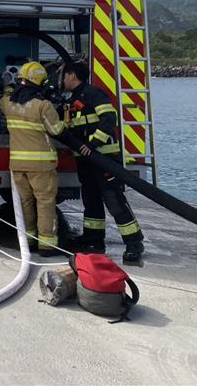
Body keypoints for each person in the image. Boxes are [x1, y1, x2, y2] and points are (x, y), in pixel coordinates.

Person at [62, 62, 144, 263]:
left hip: (103, 159)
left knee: (114, 200)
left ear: (72, 76)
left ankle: (134, 243)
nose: (63, 80)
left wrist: (93, 144)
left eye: (65, 76)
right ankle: (93, 240)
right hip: (86, 161)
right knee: (91, 201)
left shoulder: (93, 94)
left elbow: (109, 118)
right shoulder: (73, 100)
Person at [0, 61, 66, 256]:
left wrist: (7, 88)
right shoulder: (43, 106)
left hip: (18, 165)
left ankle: (29, 239)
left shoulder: (8, 103)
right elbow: (56, 130)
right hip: (42, 164)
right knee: (45, 202)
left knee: (25, 202)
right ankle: (47, 244)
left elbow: (1, 98)